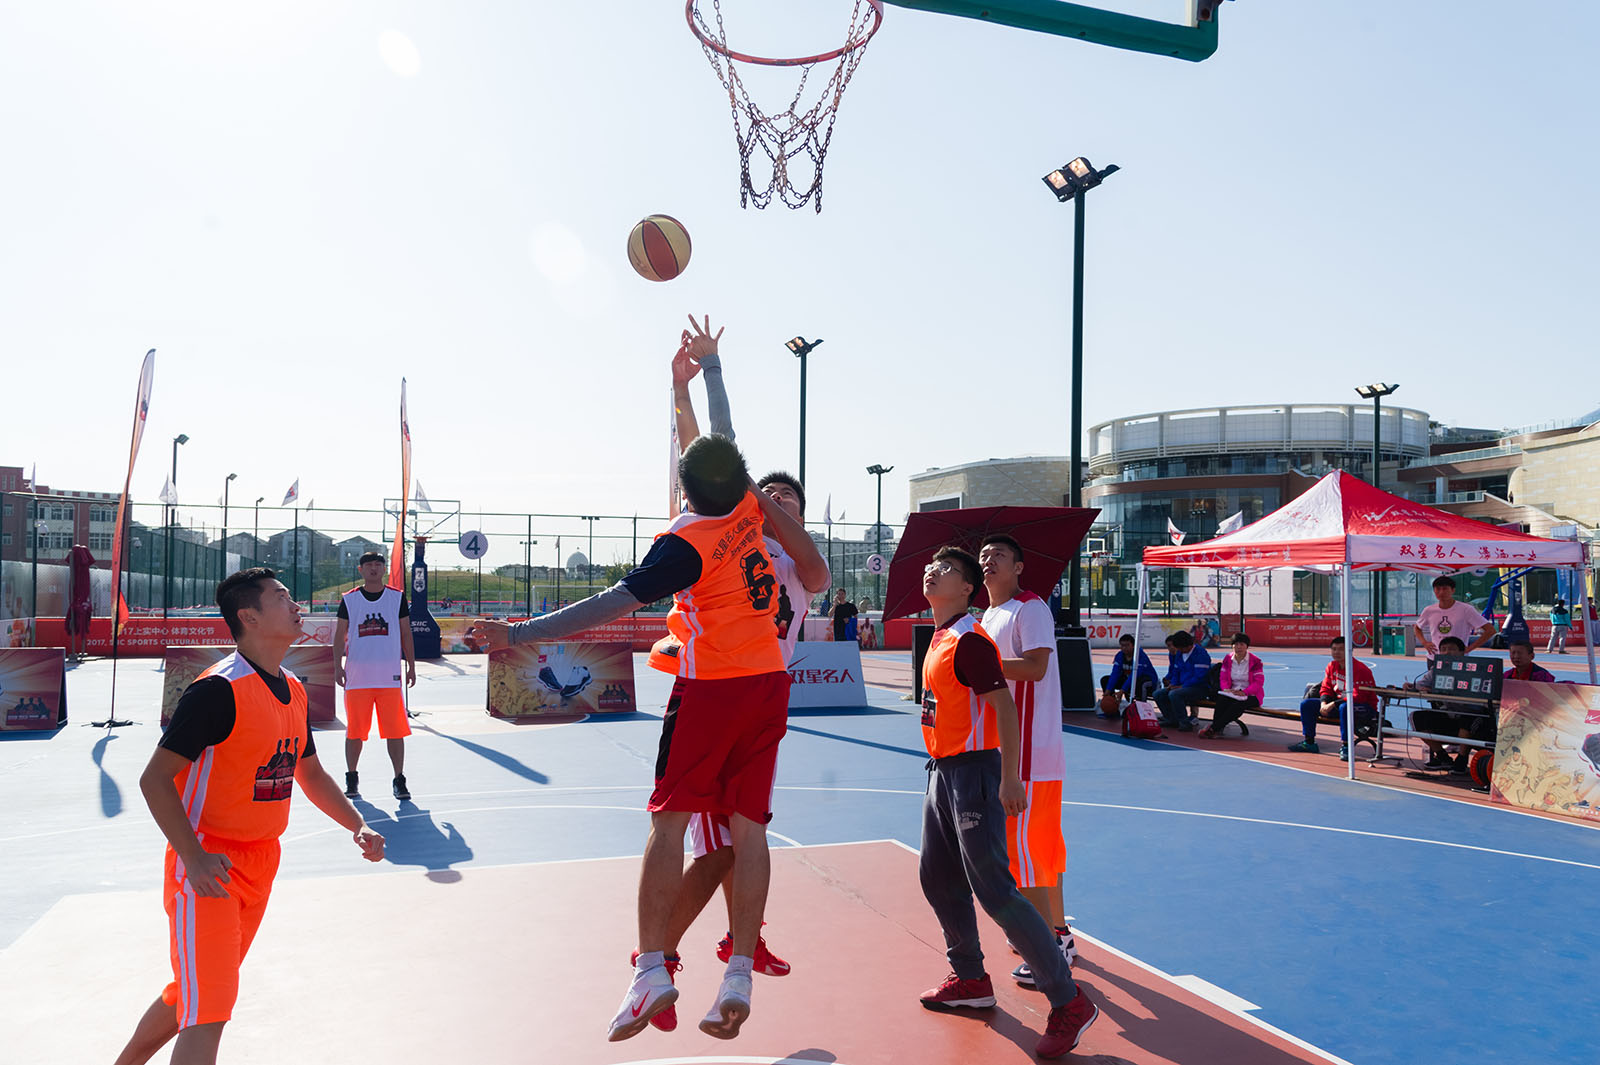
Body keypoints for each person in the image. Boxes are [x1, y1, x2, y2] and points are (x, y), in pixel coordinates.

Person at [470, 429, 824, 1042]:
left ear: (684, 490)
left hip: (711, 686)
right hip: (769, 682)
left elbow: (610, 603)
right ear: (743, 480)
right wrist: (698, 383)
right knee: (747, 835)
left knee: (671, 825)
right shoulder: (750, 511)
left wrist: (519, 632)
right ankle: (739, 972)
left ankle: (651, 969)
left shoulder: (686, 543)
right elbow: (721, 433)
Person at [111, 568, 384, 1065]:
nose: (296, 605)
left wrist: (357, 824)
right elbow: (154, 779)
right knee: (210, 1010)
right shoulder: (217, 690)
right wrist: (194, 858)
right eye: (282, 597)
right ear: (249, 616)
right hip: (209, 867)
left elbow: (310, 772)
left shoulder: (294, 688)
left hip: (261, 863)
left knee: (192, 994)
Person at [649, 314, 832, 1033]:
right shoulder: (732, 535)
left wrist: (768, 504)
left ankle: (718, 946)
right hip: (714, 693)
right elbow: (707, 452)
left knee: (735, 844)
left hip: (761, 702)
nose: (776, 502)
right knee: (720, 848)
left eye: (791, 501)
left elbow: (810, 561)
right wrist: (686, 387)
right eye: (769, 495)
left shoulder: (799, 566)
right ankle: (666, 957)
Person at [916, 545, 1097, 1058]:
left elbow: (1005, 710)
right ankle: (970, 978)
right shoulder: (942, 637)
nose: (932, 572)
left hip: (974, 771)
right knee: (937, 877)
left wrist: (1010, 777)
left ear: (966, 588)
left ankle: (1068, 999)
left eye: (945, 569)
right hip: (943, 770)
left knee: (996, 888)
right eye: (931, 566)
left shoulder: (972, 641)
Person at [977, 534, 1079, 990]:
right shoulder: (989, 615)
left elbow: (1036, 667)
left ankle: (1049, 949)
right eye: (984, 555)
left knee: (1025, 854)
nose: (988, 560)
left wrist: (980, 665)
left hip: (1031, 753)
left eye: (999, 555)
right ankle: (1058, 934)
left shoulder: (1030, 608)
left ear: (1018, 567)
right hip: (1018, 750)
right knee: (1042, 850)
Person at [335, 550, 417, 802]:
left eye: (378, 564)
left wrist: (411, 665)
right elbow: (339, 636)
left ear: (384, 569)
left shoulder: (396, 598)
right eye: (369, 564)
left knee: (395, 731)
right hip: (357, 678)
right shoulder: (350, 599)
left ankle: (399, 778)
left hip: (388, 678)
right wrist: (337, 666)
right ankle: (351, 776)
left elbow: (406, 633)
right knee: (355, 732)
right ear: (360, 570)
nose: (374, 568)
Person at [1290, 635, 1378, 761]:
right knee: (1307, 704)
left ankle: (1346, 746)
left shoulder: (1360, 669)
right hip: (1340, 704)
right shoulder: (1331, 666)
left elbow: (1358, 696)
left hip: (1364, 708)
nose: (1337, 652)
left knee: (1345, 707)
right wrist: (1323, 704)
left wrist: (1332, 704)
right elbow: (1325, 688)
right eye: (1334, 649)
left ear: (1349, 651)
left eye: (1341, 649)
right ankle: (1309, 742)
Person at [1404, 635, 1471, 770]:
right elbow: (1420, 685)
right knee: (1416, 717)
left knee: (1469, 719)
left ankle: (1462, 760)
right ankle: (1442, 757)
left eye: (1451, 649)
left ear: (1462, 652)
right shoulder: (1436, 669)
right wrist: (1411, 686)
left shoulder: (1471, 669)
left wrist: (1435, 690)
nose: (1447, 652)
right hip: (1447, 715)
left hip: (1470, 715)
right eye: (1443, 649)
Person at [1200, 632, 1262, 738]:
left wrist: (1244, 692)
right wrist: (1226, 689)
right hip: (1232, 692)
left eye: (1242, 644)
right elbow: (1223, 678)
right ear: (1232, 646)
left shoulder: (1255, 661)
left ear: (1247, 646)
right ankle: (1217, 729)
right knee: (1222, 699)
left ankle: (1214, 728)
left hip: (1251, 695)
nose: (1239, 647)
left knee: (1239, 704)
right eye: (1236, 644)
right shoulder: (1228, 659)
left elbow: (1258, 682)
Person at [1414, 575, 1494, 656]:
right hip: (1434, 657)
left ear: (1453, 590)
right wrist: (1424, 643)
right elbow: (1417, 627)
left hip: (1458, 658)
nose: (1441, 592)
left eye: (1445, 589)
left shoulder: (1466, 610)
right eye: (1438, 589)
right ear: (1434, 591)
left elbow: (1490, 630)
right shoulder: (1429, 610)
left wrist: (1470, 648)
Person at [1152, 629, 1212, 731]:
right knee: (1158, 694)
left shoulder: (1201, 654)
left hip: (1199, 688)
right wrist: (1173, 684)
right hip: (1182, 686)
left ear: (1188, 646)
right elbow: (1176, 671)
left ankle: (1184, 723)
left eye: (1180, 648)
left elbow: (1200, 676)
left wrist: (1182, 686)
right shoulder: (1179, 653)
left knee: (1174, 694)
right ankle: (1171, 719)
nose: (1178, 650)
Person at [1100, 633, 1159, 712]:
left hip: (1147, 681)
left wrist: (1122, 690)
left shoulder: (1140, 656)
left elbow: (1135, 675)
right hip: (1130, 680)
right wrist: (1108, 690)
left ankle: (1141, 710)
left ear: (1133, 645)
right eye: (1122, 645)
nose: (1124, 648)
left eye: (1127, 645)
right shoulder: (1119, 656)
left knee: (1140, 683)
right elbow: (1115, 673)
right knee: (1105, 680)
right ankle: (1113, 706)